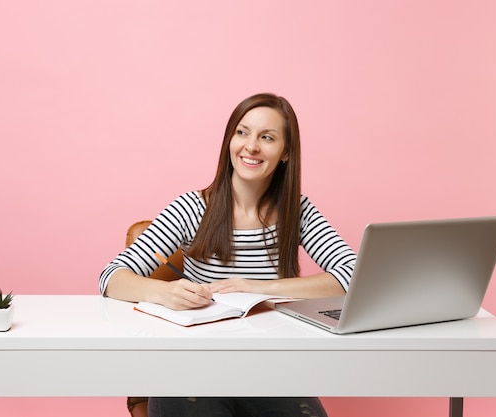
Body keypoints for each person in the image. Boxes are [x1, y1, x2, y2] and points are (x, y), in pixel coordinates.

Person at [99, 93, 357, 417]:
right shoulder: (192, 209)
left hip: (270, 371)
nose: (251, 146)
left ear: (286, 152)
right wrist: (164, 292)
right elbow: (111, 277)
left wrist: (260, 288)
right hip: (192, 368)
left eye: (267, 137)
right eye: (242, 132)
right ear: (229, 141)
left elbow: (354, 275)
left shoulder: (298, 212)